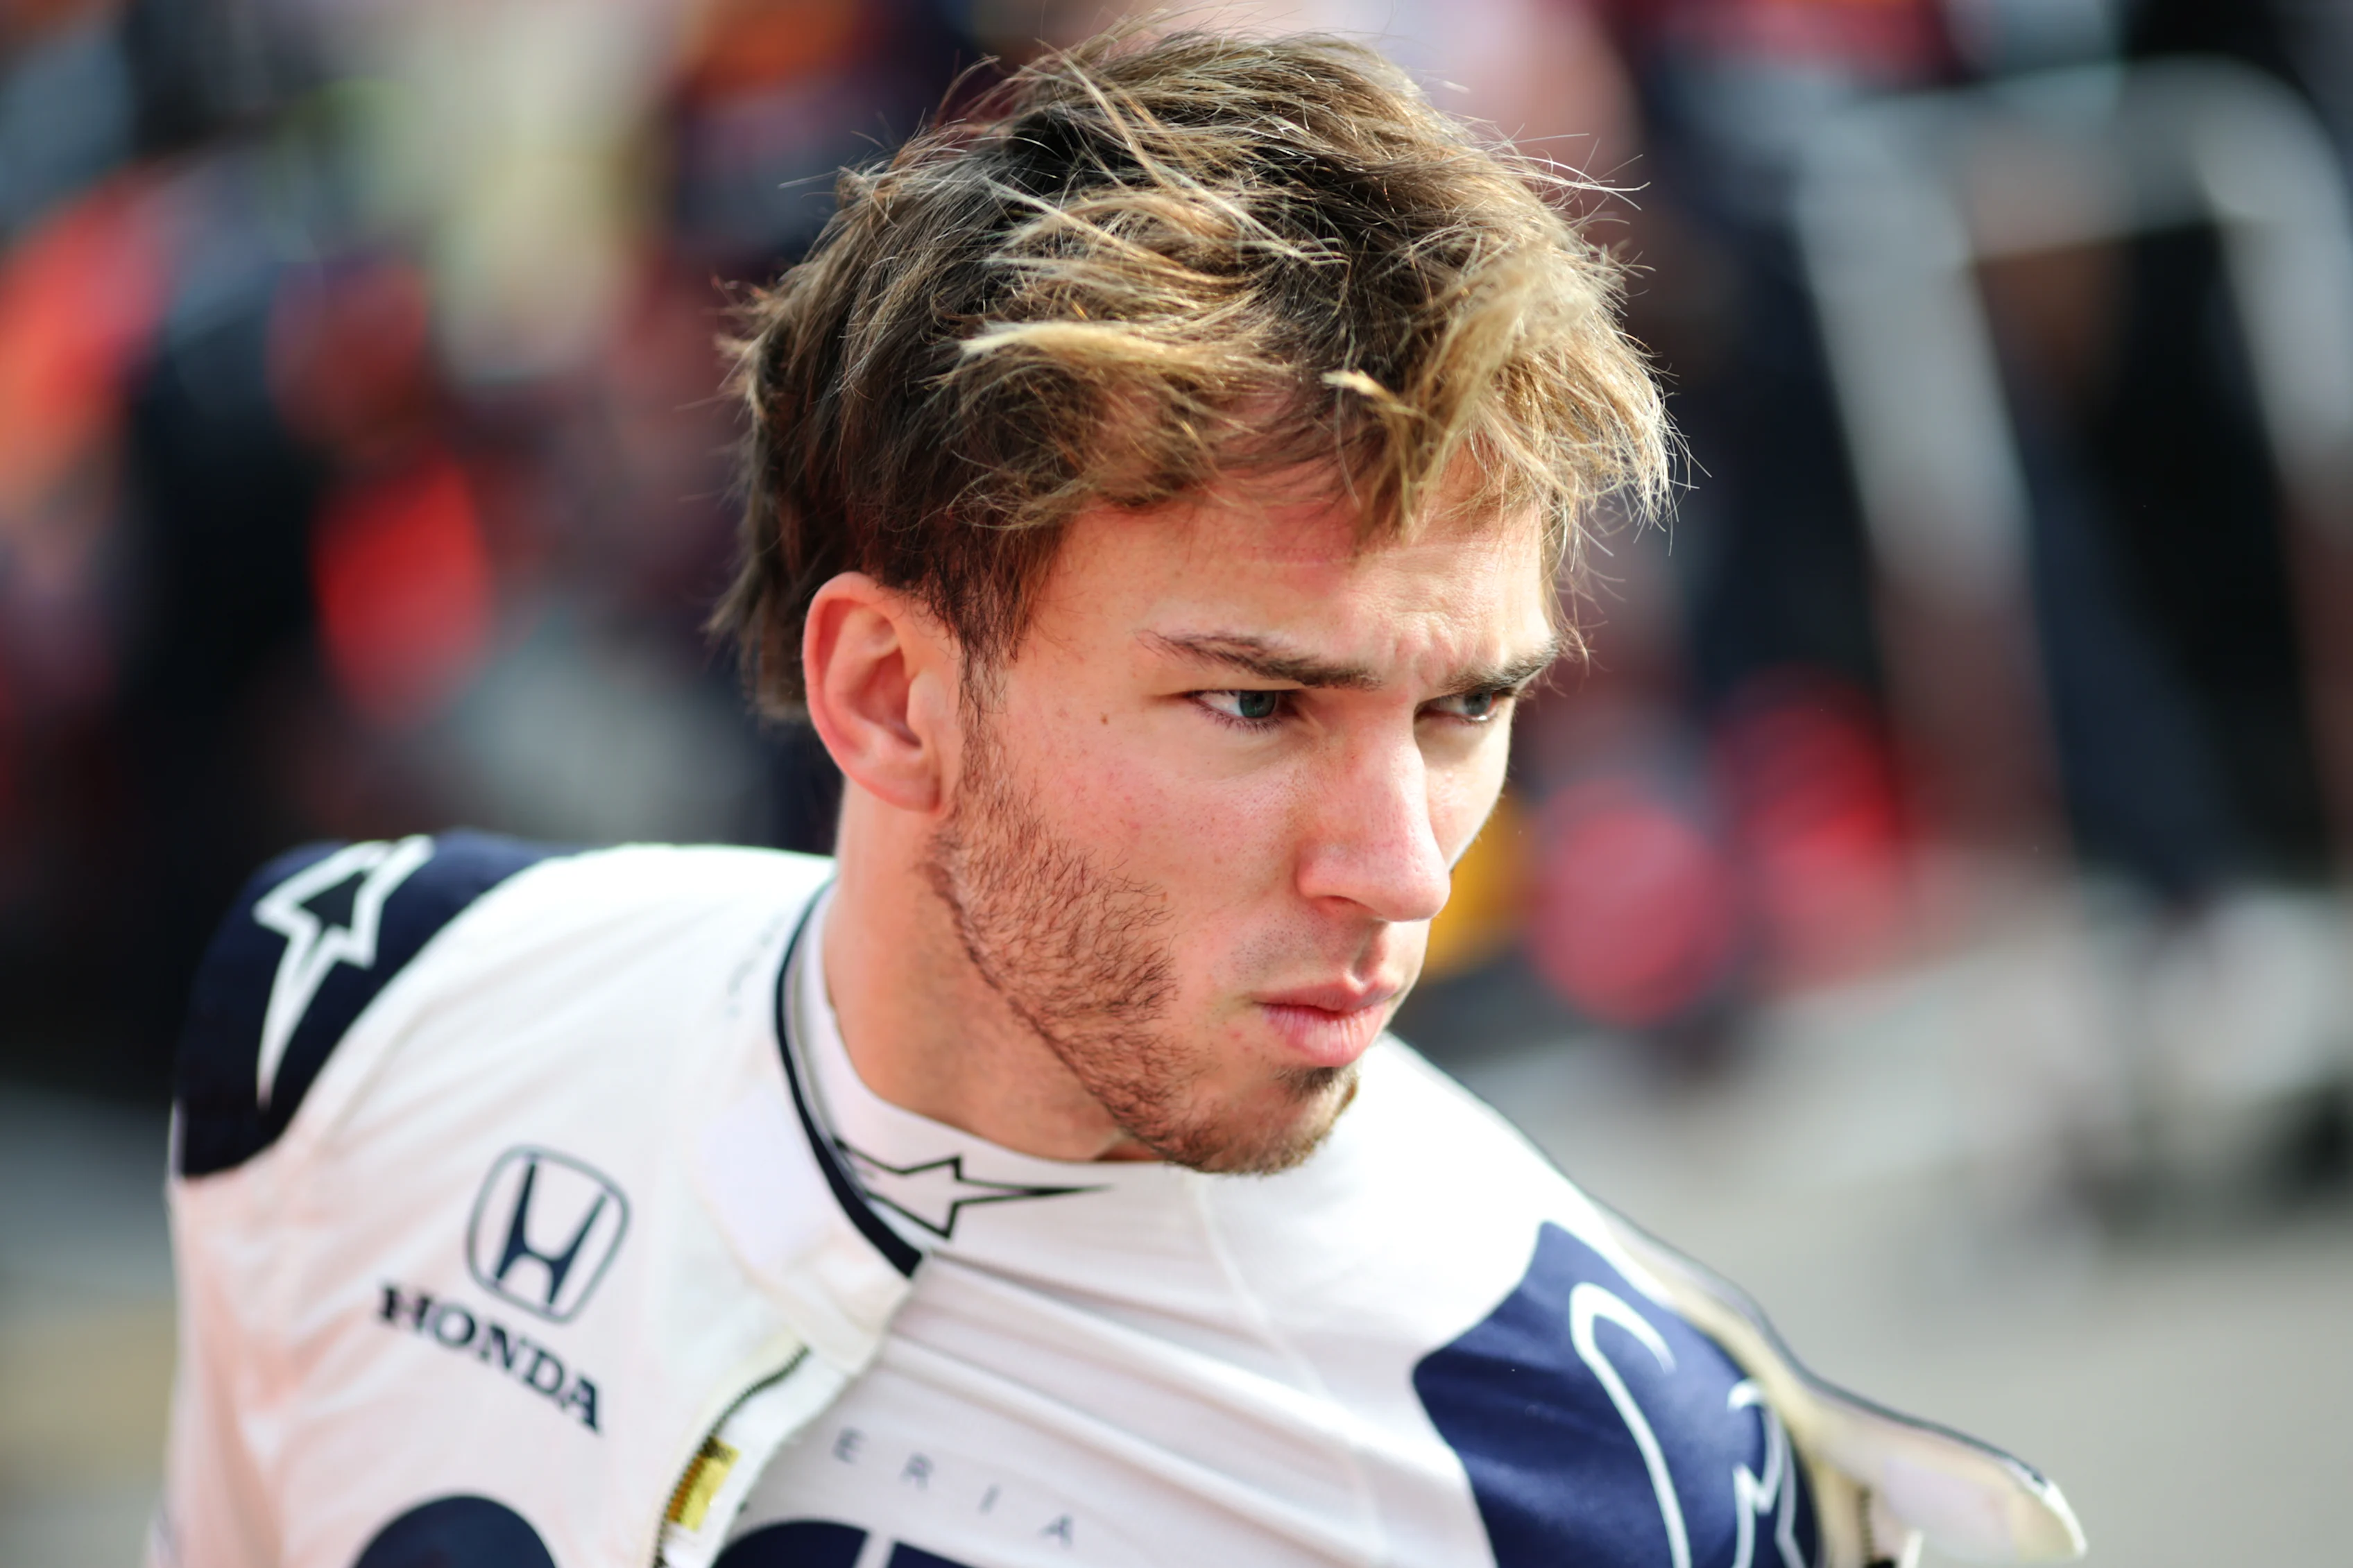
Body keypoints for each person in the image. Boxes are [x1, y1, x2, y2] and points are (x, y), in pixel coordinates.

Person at [149, 31, 2084, 1568]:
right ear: (890, 693)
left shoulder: (1587, 1468)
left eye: (1465, 707)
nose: (1405, 866)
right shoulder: (360, 1009)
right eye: (1257, 700)